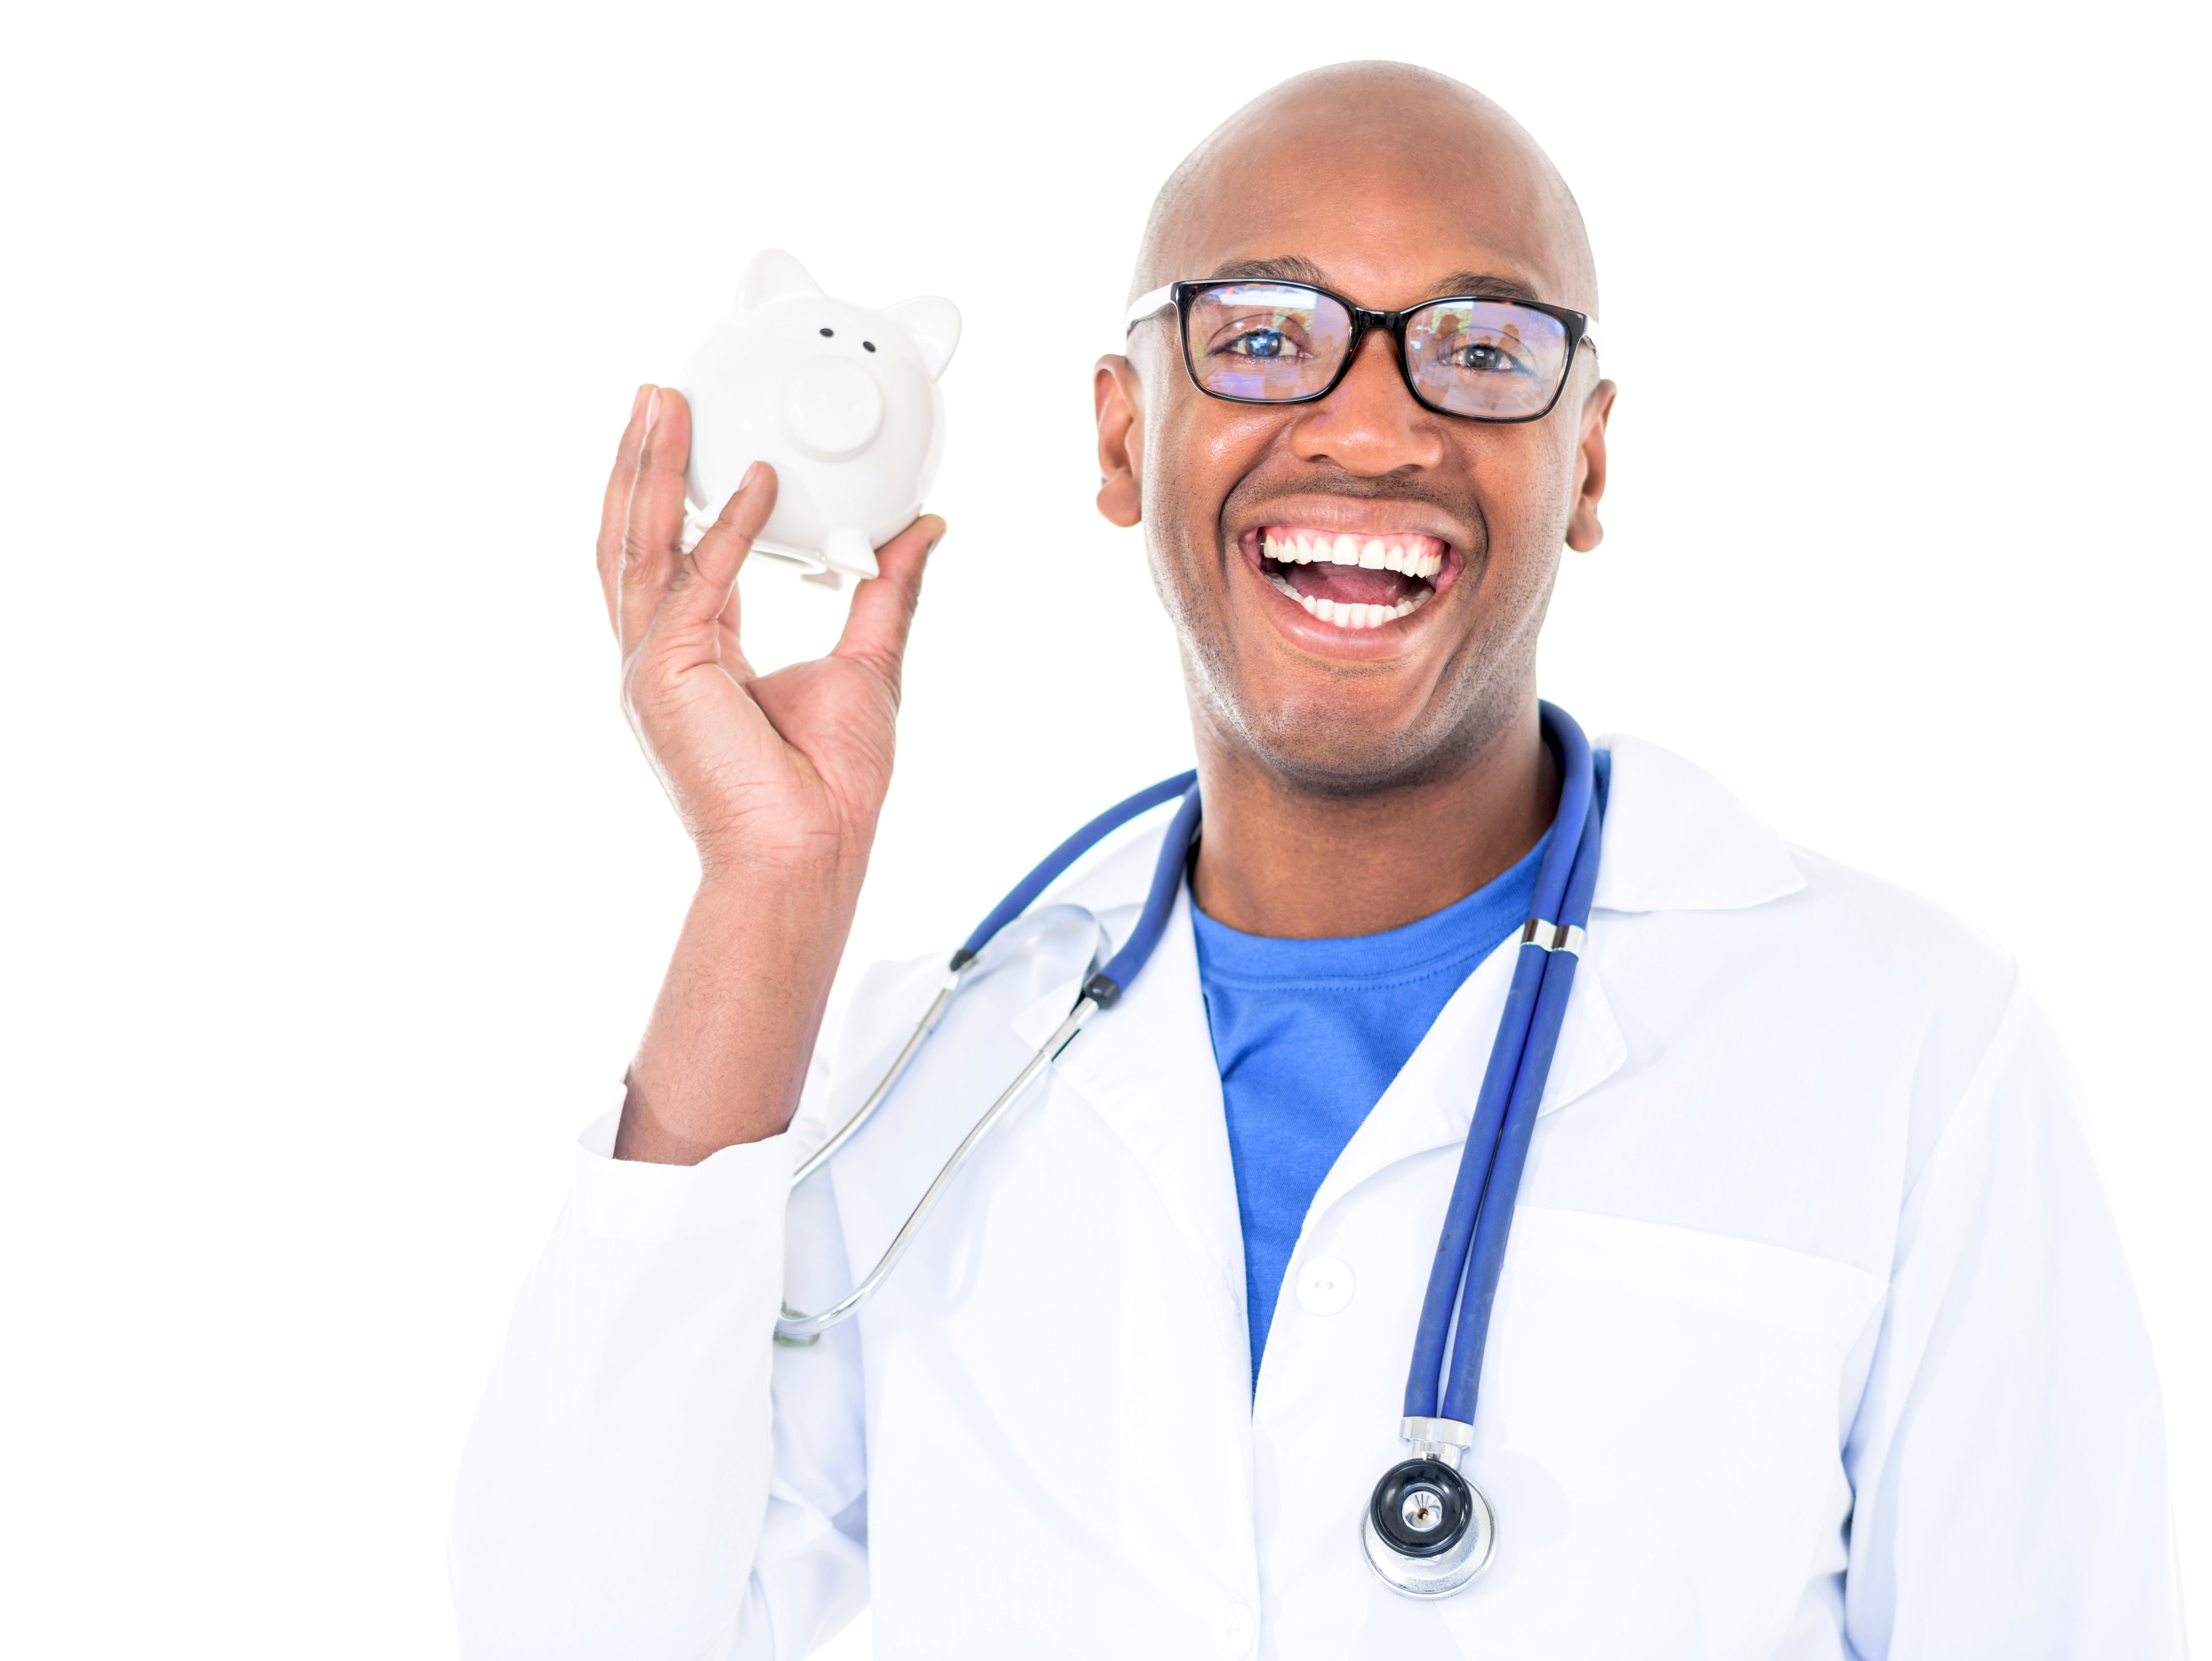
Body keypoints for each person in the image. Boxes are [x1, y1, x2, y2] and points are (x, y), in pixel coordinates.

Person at [449, 62, 2184, 1660]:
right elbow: (576, 1627)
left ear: (1589, 456)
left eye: (1482, 348)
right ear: (1125, 438)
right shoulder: (930, 1075)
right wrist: (768, 886)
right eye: (1265, 337)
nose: (1369, 425)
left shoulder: (1910, 1049)